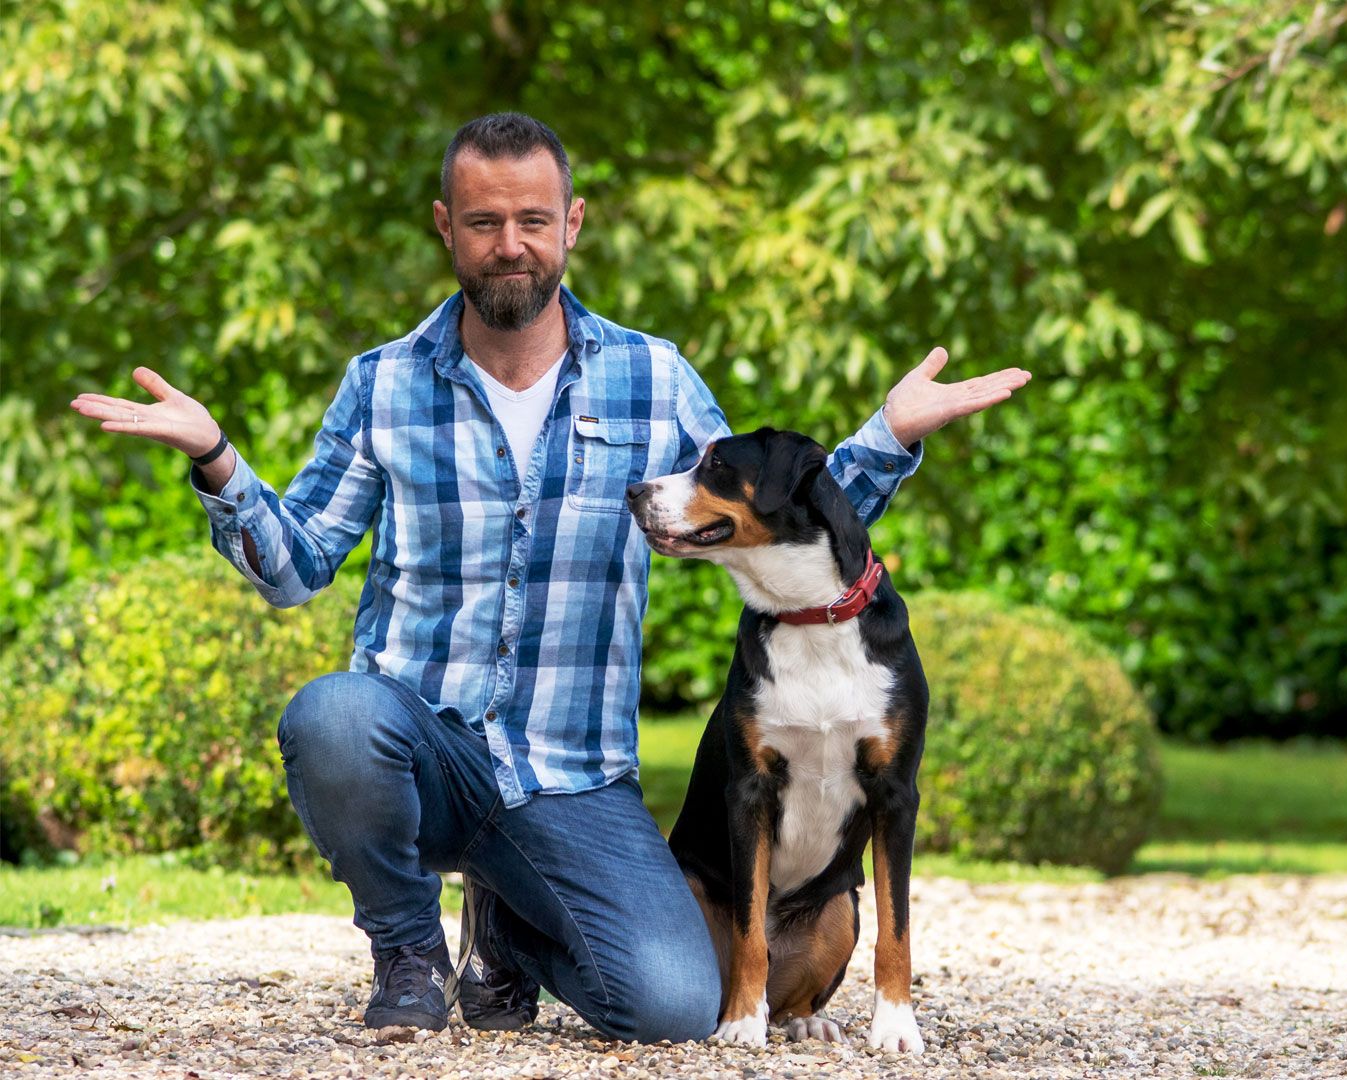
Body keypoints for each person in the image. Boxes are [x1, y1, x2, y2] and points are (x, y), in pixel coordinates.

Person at [69, 112, 1031, 1043]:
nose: (510, 245)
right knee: (333, 717)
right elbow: (296, 567)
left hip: (571, 778)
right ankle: (407, 949)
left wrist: (887, 435)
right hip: (425, 748)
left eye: (533, 219)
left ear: (571, 223)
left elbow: (772, 511)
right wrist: (218, 460)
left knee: (673, 1006)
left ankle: (510, 928)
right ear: (446, 226)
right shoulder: (382, 383)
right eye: (483, 221)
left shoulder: (654, 378)